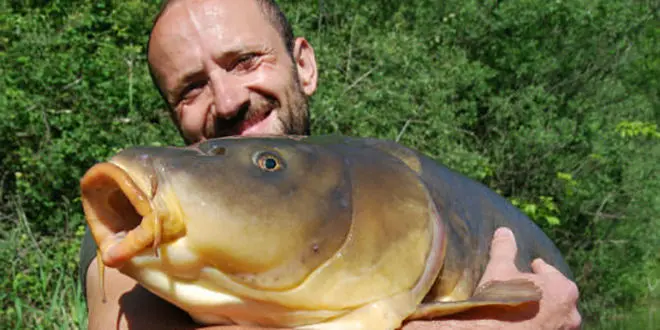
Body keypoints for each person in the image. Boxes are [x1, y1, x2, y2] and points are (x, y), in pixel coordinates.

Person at [79, 0, 581, 329]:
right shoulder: (137, 228)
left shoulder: (379, 178)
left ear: (304, 65)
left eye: (246, 60)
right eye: (191, 88)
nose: (228, 99)